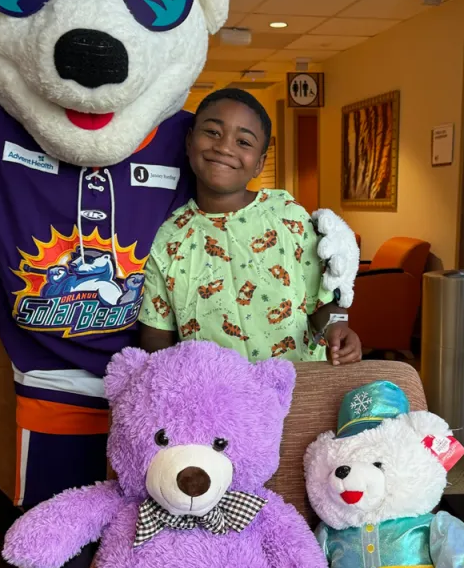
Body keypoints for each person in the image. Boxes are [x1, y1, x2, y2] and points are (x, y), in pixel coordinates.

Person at [139, 89, 362, 365]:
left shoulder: (288, 218)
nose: (224, 147)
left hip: (296, 387)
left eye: (243, 141)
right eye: (212, 132)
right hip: (213, 399)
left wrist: (339, 328)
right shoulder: (169, 237)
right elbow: (156, 335)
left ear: (259, 163)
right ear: (189, 141)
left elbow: (323, 301)